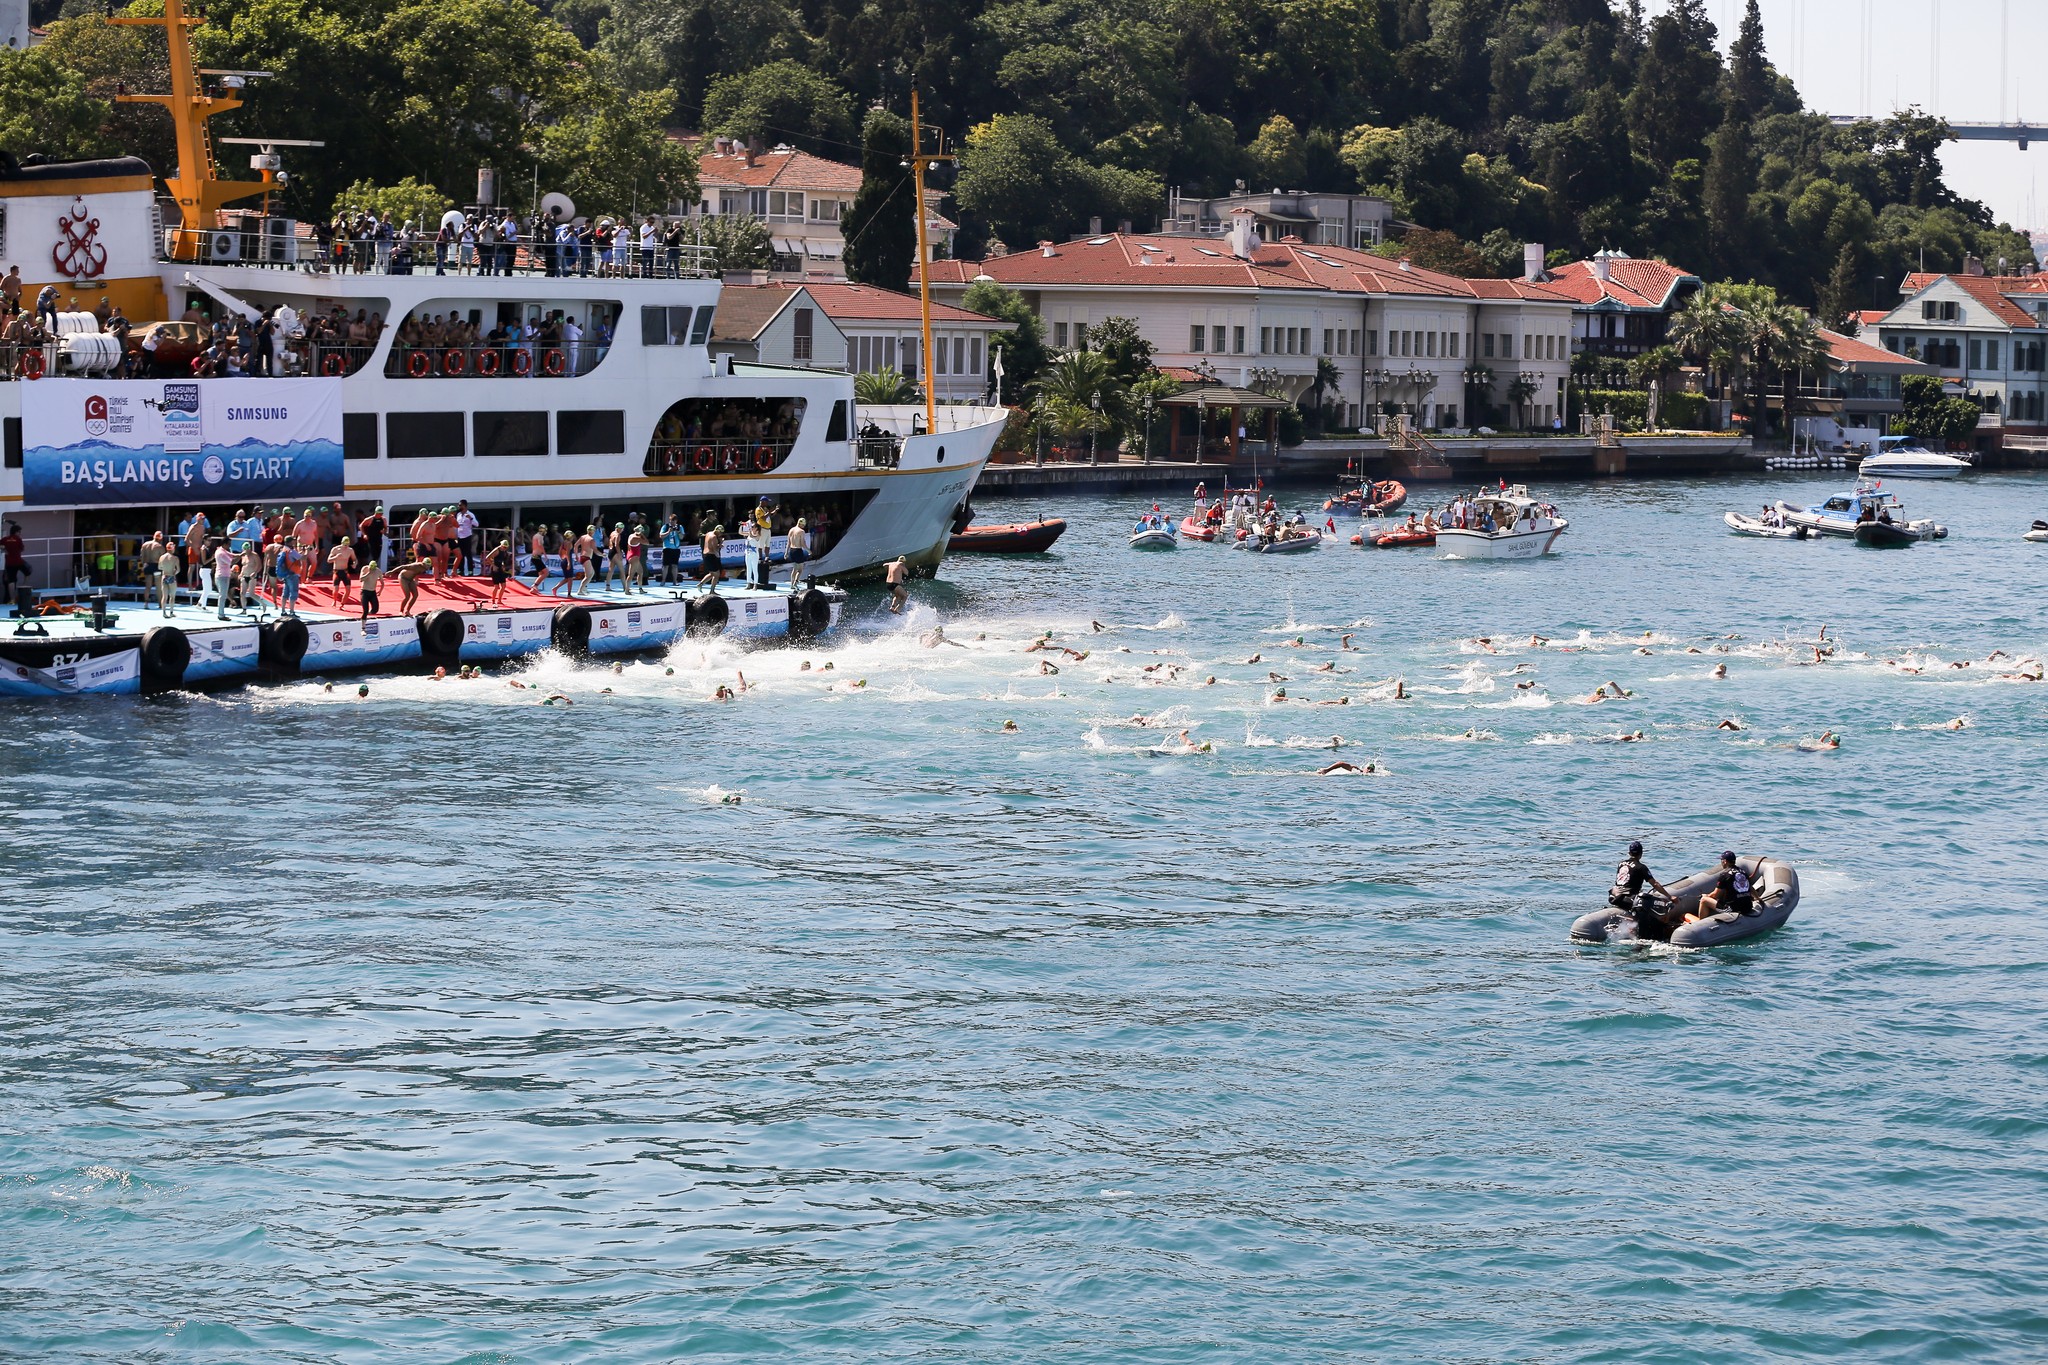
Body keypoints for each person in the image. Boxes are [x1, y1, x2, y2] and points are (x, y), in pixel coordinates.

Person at [1610, 841, 1675, 919]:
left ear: (1629, 853)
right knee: (1654, 902)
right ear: (1641, 854)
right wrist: (1669, 896)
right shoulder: (1641, 867)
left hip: (1614, 897)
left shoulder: (1621, 864)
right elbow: (1655, 884)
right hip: (1629, 899)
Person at [1691, 851, 1753, 921]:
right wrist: (1758, 899)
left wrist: (1706, 896)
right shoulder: (1743, 872)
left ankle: (1701, 924)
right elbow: (1750, 888)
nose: (1721, 862)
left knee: (1704, 900)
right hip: (1748, 907)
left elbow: (1715, 895)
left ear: (1725, 861)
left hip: (1734, 908)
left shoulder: (1724, 875)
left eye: (1721, 860)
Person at [484, 537, 512, 606]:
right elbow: (487, 557)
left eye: (506, 547)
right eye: (504, 547)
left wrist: (502, 565)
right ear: (501, 545)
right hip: (495, 569)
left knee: (503, 585)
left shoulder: (504, 551)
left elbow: (501, 560)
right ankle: (493, 600)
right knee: (496, 586)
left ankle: (499, 600)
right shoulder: (497, 550)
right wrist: (493, 565)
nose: (505, 548)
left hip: (500, 568)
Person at [0, 521, 27, 594]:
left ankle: (12, 599)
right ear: (16, 532)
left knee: (11, 580)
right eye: (19, 532)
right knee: (28, 572)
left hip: (9, 562)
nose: (20, 533)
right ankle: (24, 589)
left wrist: (5, 550)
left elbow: (1, 545)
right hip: (18, 561)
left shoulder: (5, 539)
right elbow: (22, 549)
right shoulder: (18, 539)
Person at [454, 499, 478, 574]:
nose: (459, 506)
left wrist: (470, 519)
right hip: (460, 537)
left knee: (468, 554)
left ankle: (470, 571)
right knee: (460, 554)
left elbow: (476, 524)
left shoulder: (470, 514)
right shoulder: (458, 515)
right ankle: (461, 570)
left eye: (460, 505)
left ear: (465, 506)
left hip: (467, 536)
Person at [357, 557, 382, 621]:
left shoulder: (378, 571)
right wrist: (368, 573)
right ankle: (363, 623)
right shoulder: (365, 568)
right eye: (371, 568)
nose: (372, 570)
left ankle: (369, 617)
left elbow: (382, 582)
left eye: (373, 568)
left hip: (372, 592)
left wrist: (380, 591)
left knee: (375, 609)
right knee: (365, 610)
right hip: (364, 591)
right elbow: (361, 579)